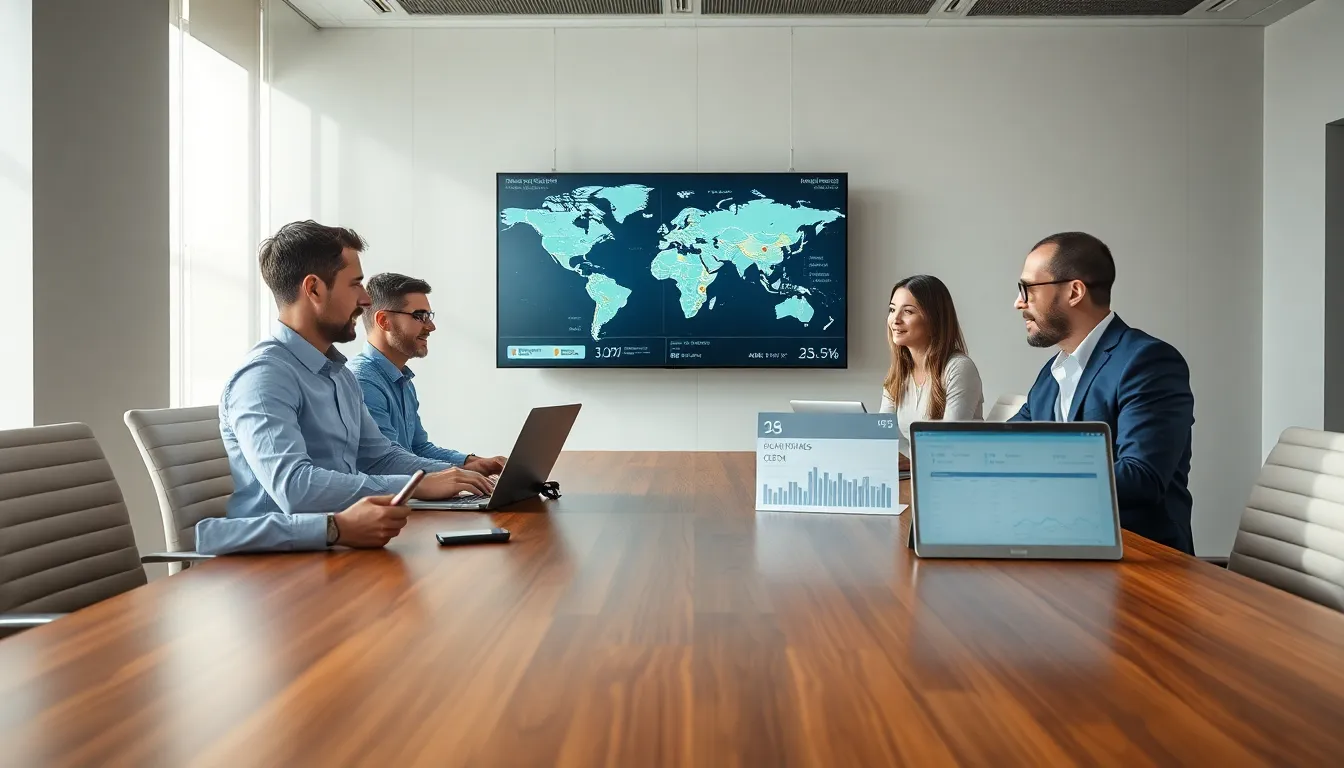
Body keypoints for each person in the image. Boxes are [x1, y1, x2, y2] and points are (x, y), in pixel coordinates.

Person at [200, 220, 494, 556]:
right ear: (314, 289)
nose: (366, 300)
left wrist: (454, 476)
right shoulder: (264, 377)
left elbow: (379, 457)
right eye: (355, 284)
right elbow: (296, 488)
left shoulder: (338, 374)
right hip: (276, 563)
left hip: (337, 548)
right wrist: (417, 486)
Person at [1009, 231, 1195, 554]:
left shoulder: (1147, 362)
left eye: (1028, 289)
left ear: (1074, 292)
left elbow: (1141, 478)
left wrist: (1038, 475)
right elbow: (1007, 443)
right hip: (1066, 545)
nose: (1018, 302)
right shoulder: (1053, 374)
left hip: (1142, 560)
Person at [348, 273, 505, 475]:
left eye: (429, 316)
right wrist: (461, 472)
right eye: (420, 316)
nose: (431, 327)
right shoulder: (362, 381)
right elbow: (385, 461)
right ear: (384, 321)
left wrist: (474, 462)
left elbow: (418, 448)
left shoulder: (402, 379)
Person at [880, 274, 984, 458]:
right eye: (892, 309)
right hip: (917, 469)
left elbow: (949, 444)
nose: (895, 319)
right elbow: (883, 434)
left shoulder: (958, 369)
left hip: (955, 469)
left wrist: (906, 460)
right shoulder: (898, 373)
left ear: (933, 320)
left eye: (908, 311)